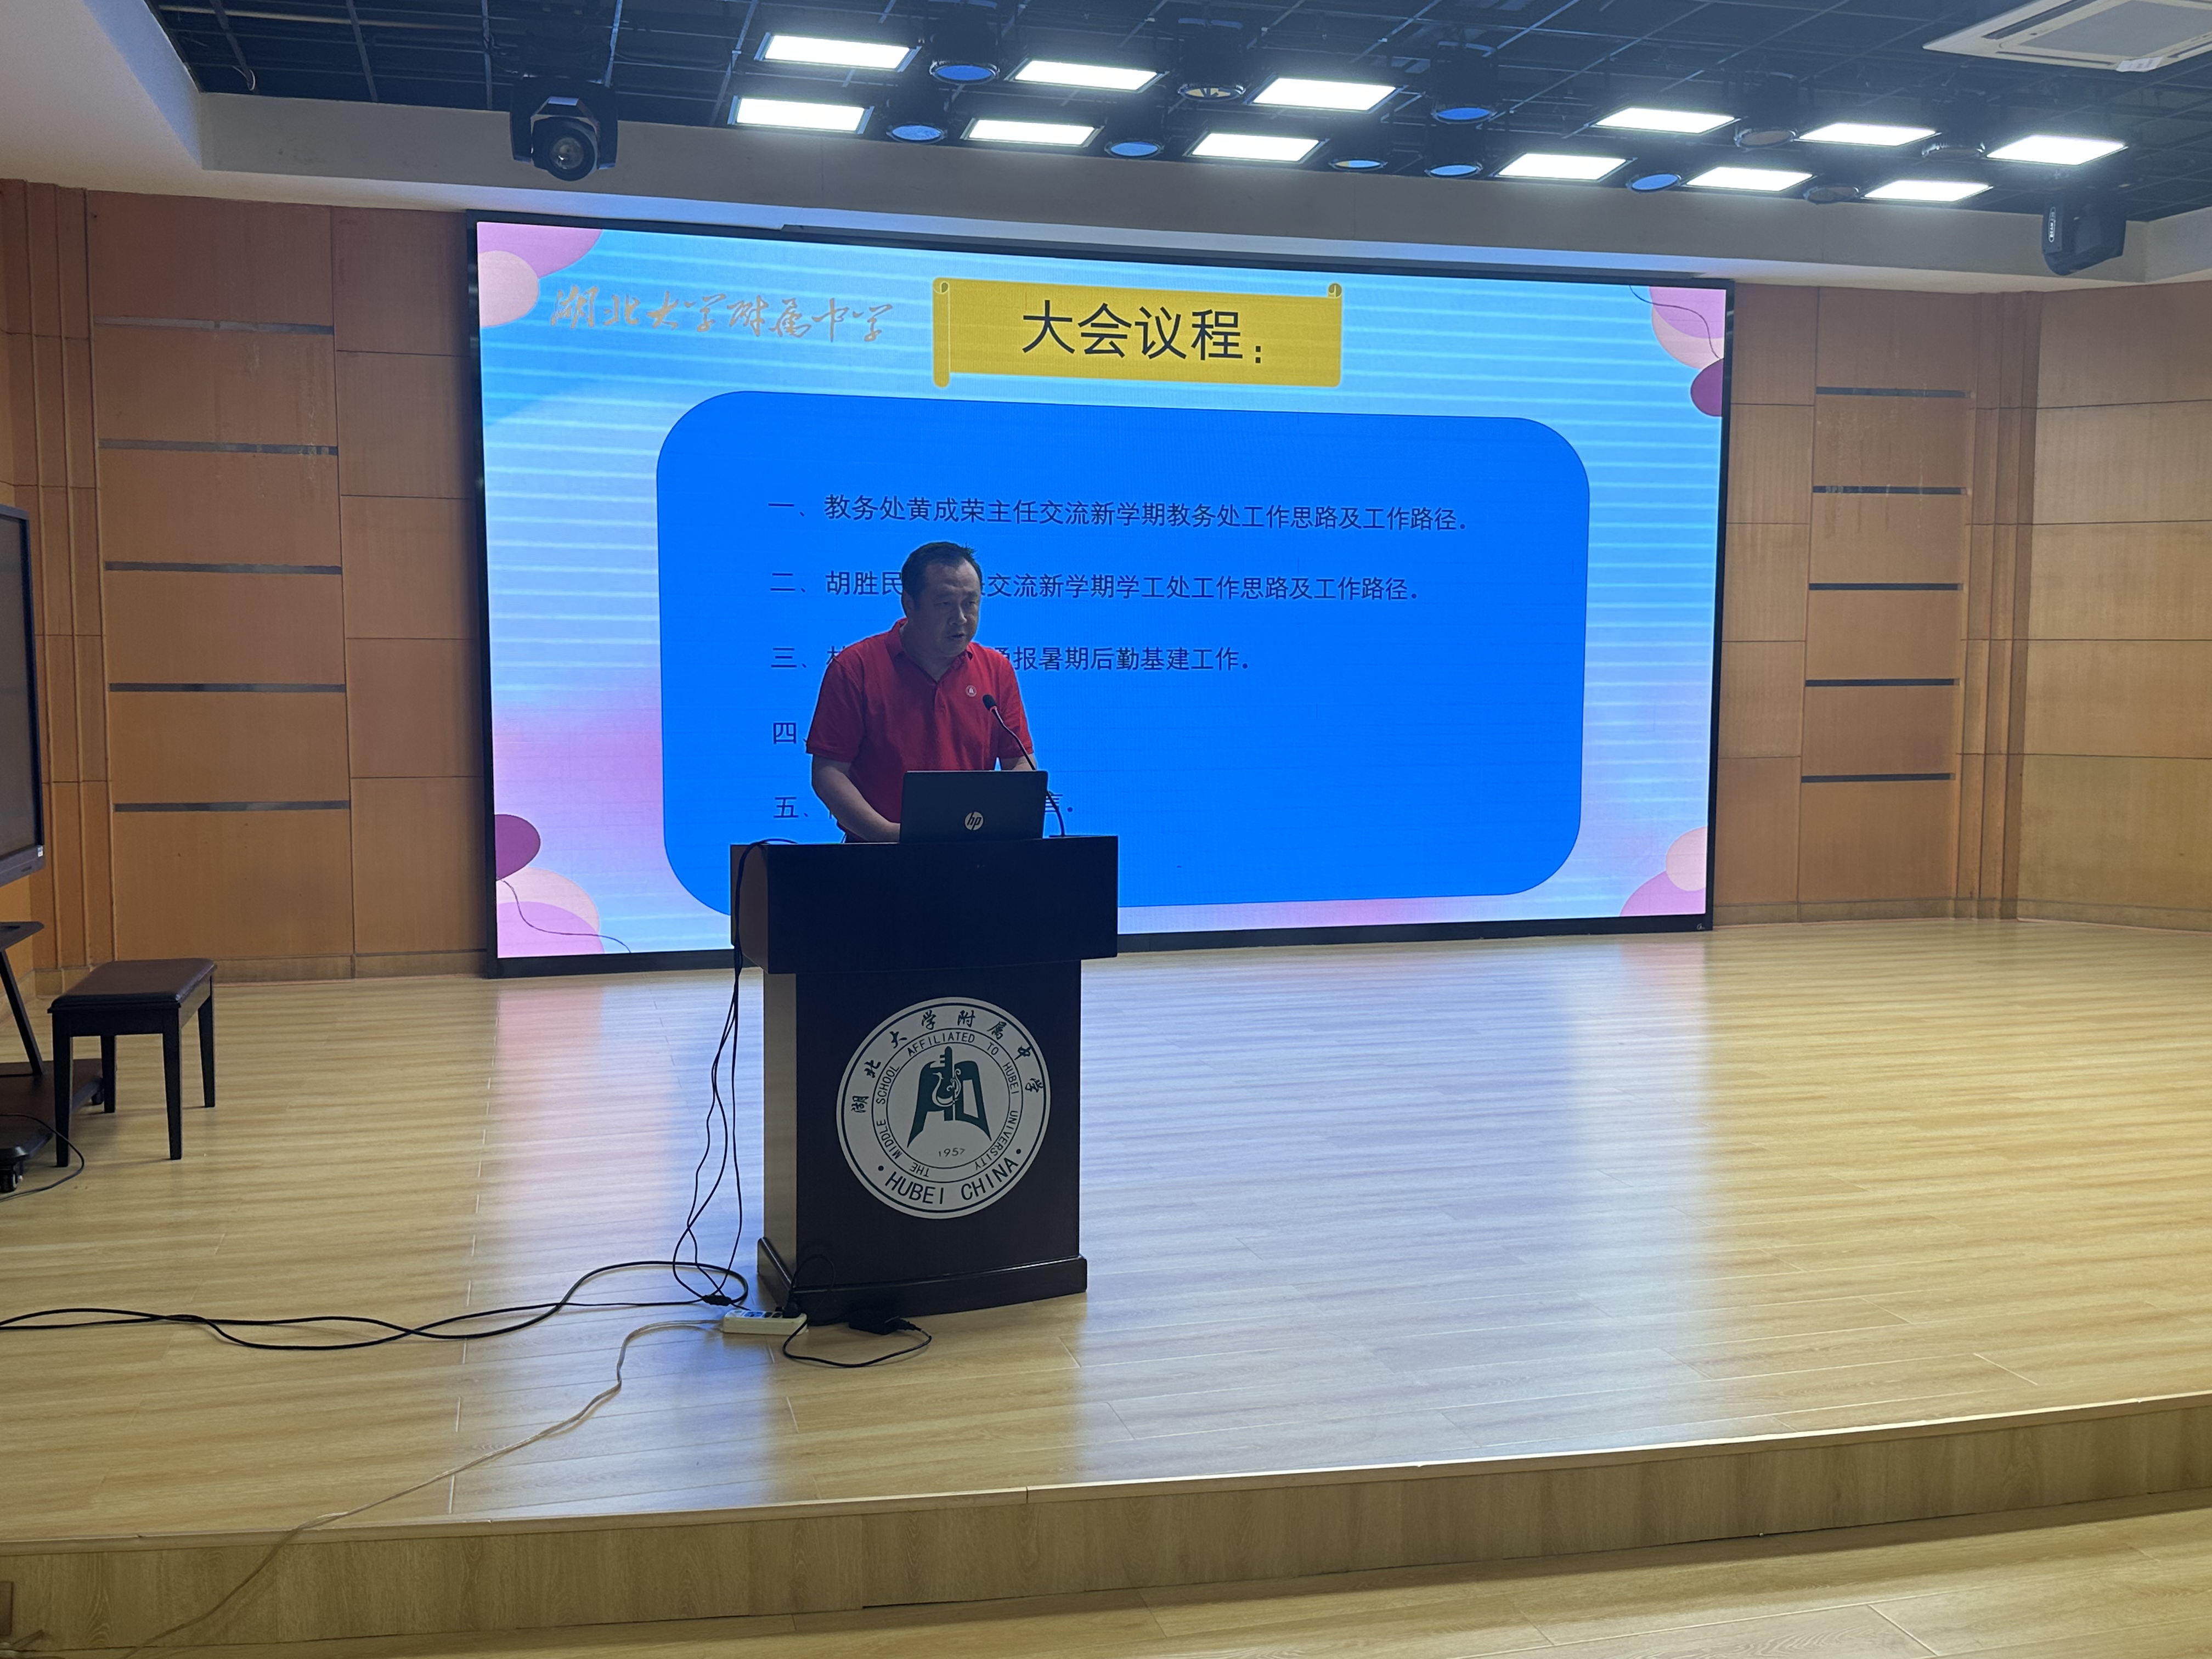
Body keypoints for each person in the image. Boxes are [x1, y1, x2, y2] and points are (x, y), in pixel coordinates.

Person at [807, 541, 1035, 843]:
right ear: (909, 604)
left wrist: (1006, 823)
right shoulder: (856, 667)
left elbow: (1019, 761)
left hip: (973, 851)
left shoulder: (996, 670)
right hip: (876, 853)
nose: (961, 618)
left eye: (971, 603)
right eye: (945, 604)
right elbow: (829, 772)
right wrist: (888, 835)